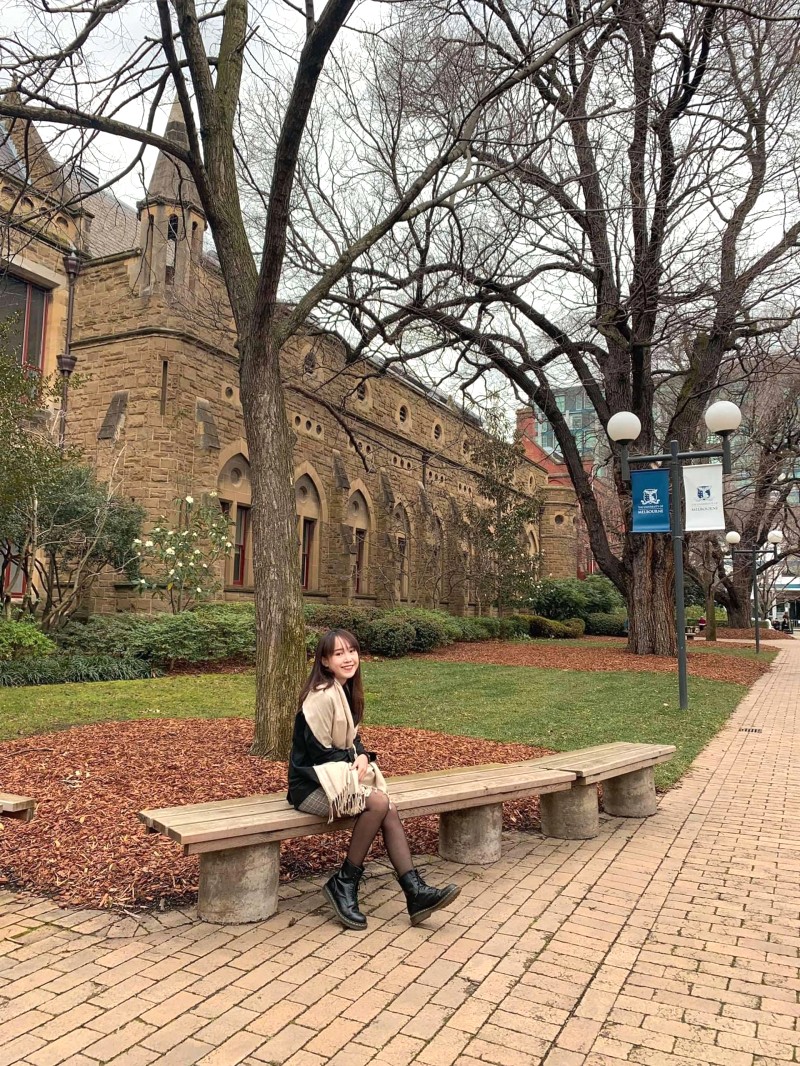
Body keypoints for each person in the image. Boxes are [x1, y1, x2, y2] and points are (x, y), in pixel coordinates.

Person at [288, 628, 461, 930]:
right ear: (325, 661)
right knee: (379, 803)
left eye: (351, 651)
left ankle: (415, 892)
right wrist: (352, 761)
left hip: (337, 780)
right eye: (339, 653)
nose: (348, 658)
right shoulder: (319, 698)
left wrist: (364, 757)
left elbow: (352, 741)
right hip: (310, 786)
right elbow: (318, 755)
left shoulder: (345, 692)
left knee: (386, 807)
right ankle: (344, 883)